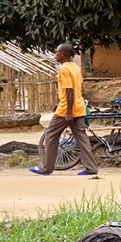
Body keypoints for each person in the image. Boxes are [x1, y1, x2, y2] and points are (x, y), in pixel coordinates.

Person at [31, 43, 100, 176]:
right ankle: (91, 168)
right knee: (82, 138)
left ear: (63, 54)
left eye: (57, 52)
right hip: (79, 107)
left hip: (66, 111)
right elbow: (76, 89)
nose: (55, 55)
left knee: (51, 135)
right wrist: (61, 103)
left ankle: (47, 168)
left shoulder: (64, 69)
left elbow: (69, 91)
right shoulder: (75, 67)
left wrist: (68, 113)